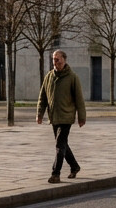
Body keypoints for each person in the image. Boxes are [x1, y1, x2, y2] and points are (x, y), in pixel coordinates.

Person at [37, 49, 86, 183]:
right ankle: (75, 166)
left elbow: (79, 99)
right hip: (54, 117)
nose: (55, 62)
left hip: (66, 116)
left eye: (57, 59)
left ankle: (55, 174)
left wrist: (82, 117)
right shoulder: (49, 77)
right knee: (63, 145)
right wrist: (39, 114)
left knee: (59, 145)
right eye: (53, 59)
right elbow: (43, 97)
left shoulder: (72, 77)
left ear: (64, 60)